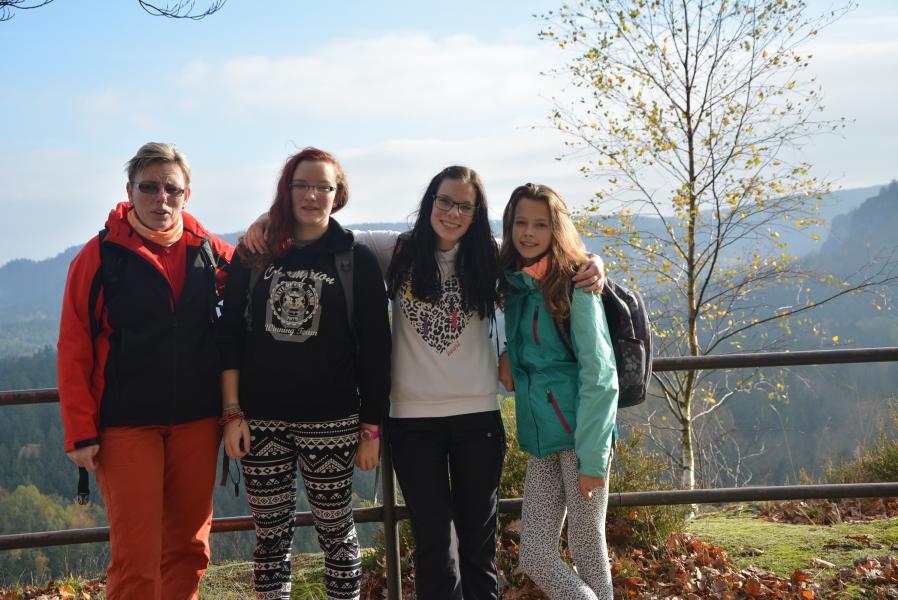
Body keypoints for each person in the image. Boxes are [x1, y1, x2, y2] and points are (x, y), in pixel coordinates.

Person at [243, 166, 605, 600]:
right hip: (413, 423)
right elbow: (324, 230)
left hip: (478, 419)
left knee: (478, 548)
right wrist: (269, 219)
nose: (453, 213)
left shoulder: (491, 256)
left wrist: (596, 263)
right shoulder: (397, 249)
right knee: (435, 547)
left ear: (476, 213)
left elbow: (554, 256)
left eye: (464, 206)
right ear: (430, 201)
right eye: (445, 201)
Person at [57, 142, 234, 600]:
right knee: (136, 557)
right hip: (125, 424)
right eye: (149, 187)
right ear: (129, 191)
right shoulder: (100, 256)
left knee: (190, 550)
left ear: (187, 195)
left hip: (197, 419)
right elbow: (74, 345)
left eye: (172, 189)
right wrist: (80, 431)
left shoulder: (207, 250)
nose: (161, 198)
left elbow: (260, 276)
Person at [217, 147, 391, 600]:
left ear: (338, 193)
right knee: (270, 539)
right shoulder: (254, 253)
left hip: (332, 420)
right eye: (302, 185)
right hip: (260, 421)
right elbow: (229, 336)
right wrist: (232, 413)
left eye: (323, 186)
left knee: (337, 534)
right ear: (287, 190)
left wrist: (371, 429)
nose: (312, 195)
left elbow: (377, 349)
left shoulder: (355, 258)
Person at [498, 183, 618, 600]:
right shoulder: (517, 282)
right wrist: (508, 352)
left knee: (588, 550)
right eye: (521, 223)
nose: (528, 233)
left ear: (557, 229)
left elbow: (601, 376)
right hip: (542, 439)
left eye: (541, 225)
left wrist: (593, 458)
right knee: (535, 555)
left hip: (581, 437)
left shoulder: (576, 284)